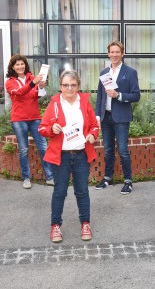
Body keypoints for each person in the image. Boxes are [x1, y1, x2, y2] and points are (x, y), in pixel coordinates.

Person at [38, 70, 99, 243]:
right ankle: (55, 226)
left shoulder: (85, 103)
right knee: (59, 192)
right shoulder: (54, 105)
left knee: (82, 192)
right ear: (60, 87)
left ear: (78, 86)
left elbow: (94, 126)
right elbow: (42, 128)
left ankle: (85, 223)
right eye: (66, 85)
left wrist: (92, 135)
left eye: (73, 85)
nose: (69, 88)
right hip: (61, 156)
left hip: (81, 155)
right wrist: (52, 129)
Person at [95, 41, 140, 194]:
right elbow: (100, 95)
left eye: (117, 52)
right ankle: (108, 178)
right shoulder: (104, 73)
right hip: (106, 117)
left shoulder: (130, 72)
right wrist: (97, 116)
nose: (114, 55)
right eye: (111, 52)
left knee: (122, 150)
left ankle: (128, 181)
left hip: (121, 117)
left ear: (122, 53)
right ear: (108, 54)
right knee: (108, 150)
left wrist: (118, 95)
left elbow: (136, 95)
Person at [5, 55, 54, 189]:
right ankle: (26, 178)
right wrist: (33, 84)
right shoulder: (9, 82)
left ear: (25, 65)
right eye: (17, 64)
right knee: (24, 149)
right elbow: (19, 93)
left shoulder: (32, 77)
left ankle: (50, 176)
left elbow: (35, 95)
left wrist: (40, 87)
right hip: (19, 119)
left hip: (35, 117)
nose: (20, 66)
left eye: (22, 64)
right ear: (13, 67)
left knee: (43, 146)